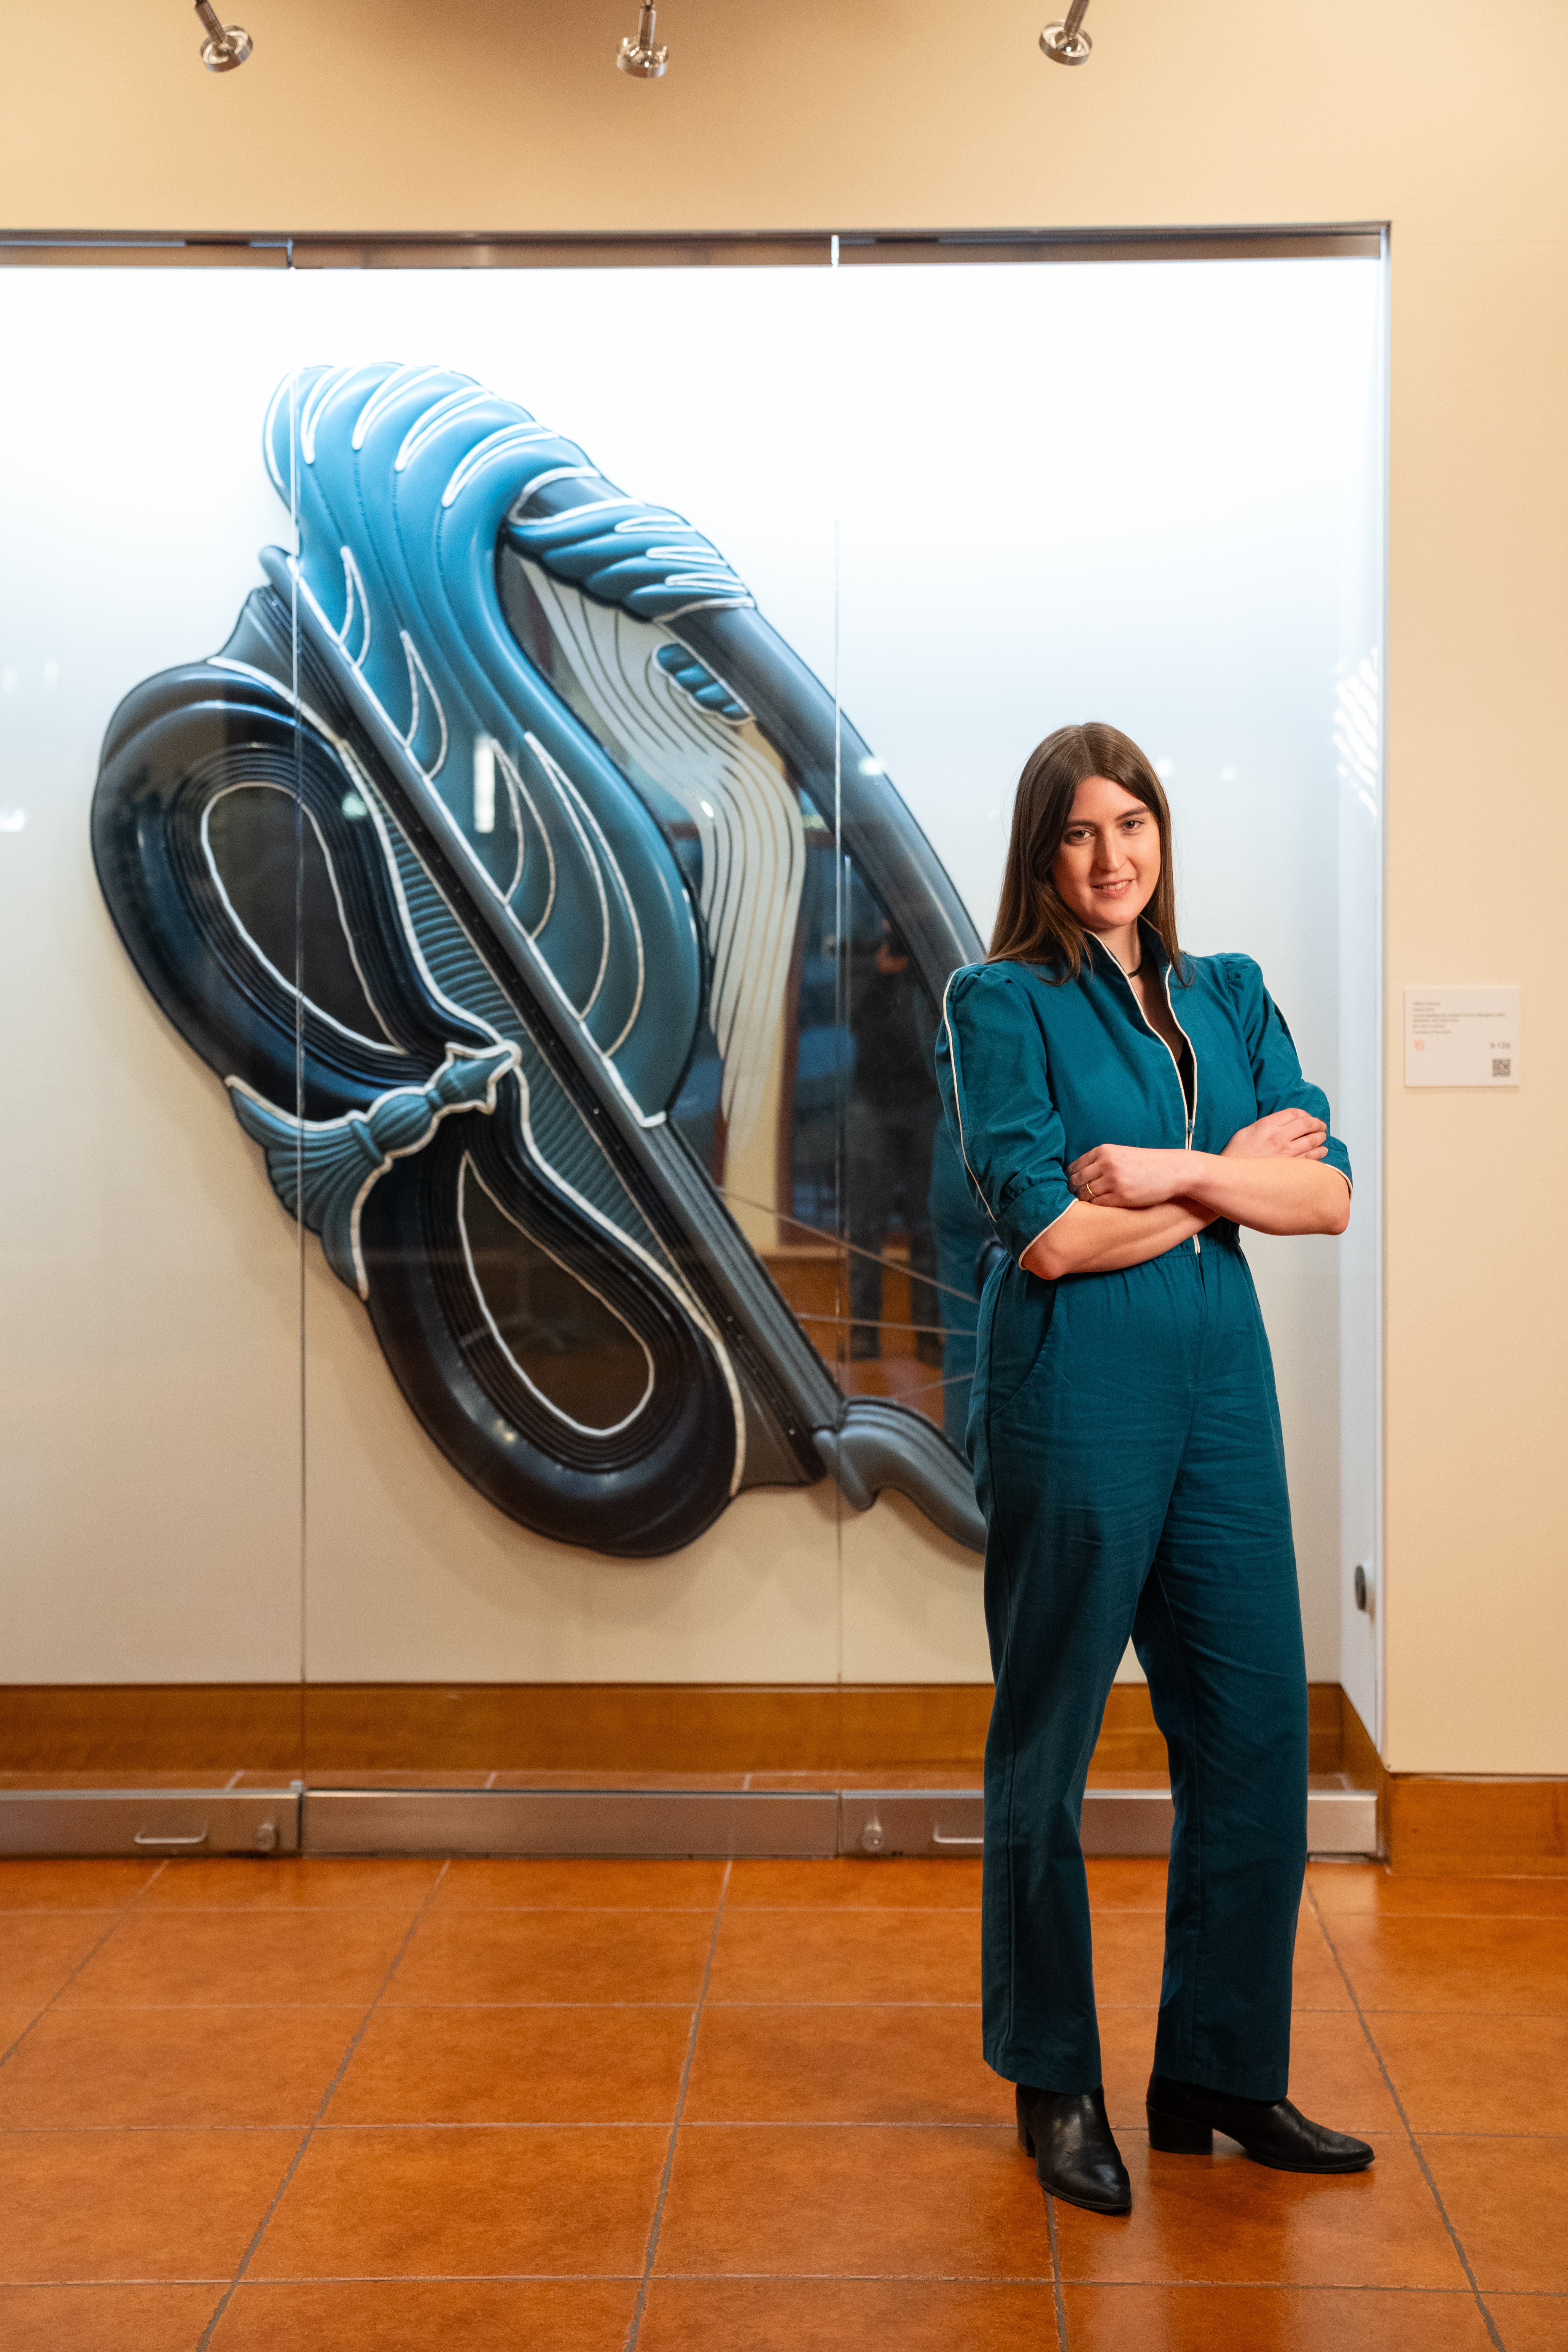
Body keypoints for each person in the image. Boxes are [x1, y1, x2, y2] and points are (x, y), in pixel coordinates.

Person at [934, 722, 1371, 2216]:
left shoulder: (1228, 992)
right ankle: (1051, 2077)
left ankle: (1217, 2073)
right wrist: (1225, 1177)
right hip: (1073, 1392)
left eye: (1133, 822)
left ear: (1162, 836)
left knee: (1253, 1735)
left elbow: (1321, 1194)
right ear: (1039, 853)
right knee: (1044, 1747)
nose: (1111, 855)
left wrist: (1172, 1174)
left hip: (1217, 1401)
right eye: (1077, 832)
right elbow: (1048, 1233)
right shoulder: (998, 1001)